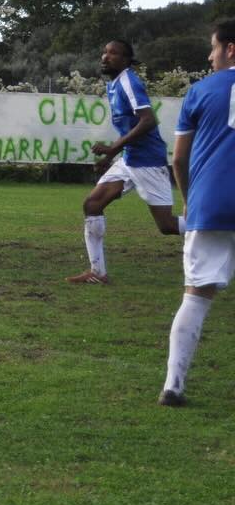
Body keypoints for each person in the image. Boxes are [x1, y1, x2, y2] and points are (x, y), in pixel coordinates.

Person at [158, 21, 235, 406]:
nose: (209, 55)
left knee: (197, 295)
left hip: (211, 204)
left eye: (213, 47)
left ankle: (173, 386)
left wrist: (190, 200)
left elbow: (178, 159)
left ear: (231, 49)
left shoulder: (200, 91)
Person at [67, 38, 184, 284]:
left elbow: (148, 120)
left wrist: (112, 148)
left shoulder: (129, 82)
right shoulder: (115, 84)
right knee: (92, 204)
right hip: (129, 159)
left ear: (126, 60)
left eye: (113, 53)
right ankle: (97, 272)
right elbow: (130, 127)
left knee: (167, 226)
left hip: (148, 161)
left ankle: (219, 226)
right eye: (104, 51)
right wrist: (111, 156)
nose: (105, 56)